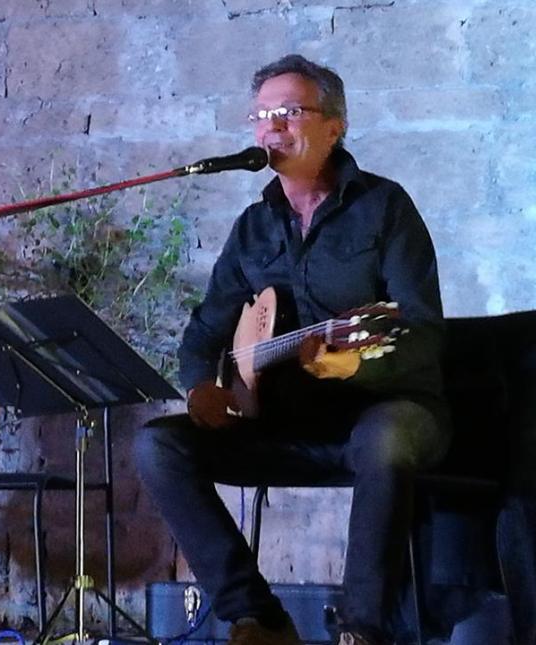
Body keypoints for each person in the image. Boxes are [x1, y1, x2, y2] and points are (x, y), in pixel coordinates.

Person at [134, 54, 450, 645]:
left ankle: (362, 631)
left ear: (334, 127)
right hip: (282, 425)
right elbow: (204, 333)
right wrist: (201, 386)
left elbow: (423, 332)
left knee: (385, 437)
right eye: (262, 115)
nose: (272, 126)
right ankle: (257, 618)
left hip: (383, 413)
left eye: (290, 112)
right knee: (158, 444)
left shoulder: (386, 208)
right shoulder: (253, 227)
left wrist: (353, 363)